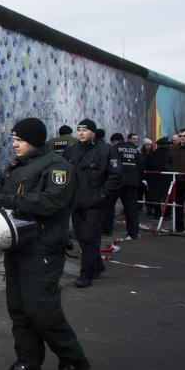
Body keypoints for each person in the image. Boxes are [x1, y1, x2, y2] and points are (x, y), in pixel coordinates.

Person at [0, 117, 90, 370]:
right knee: (19, 308)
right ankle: (28, 363)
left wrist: (5, 201)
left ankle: (73, 361)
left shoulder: (57, 167)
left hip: (42, 249)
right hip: (17, 247)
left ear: (35, 140)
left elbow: (52, 202)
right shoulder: (17, 167)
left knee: (42, 308)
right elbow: (1, 193)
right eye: (14, 140)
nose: (15, 145)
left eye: (20, 140)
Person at [63, 119, 122, 288]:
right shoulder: (71, 150)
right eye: (79, 129)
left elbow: (115, 175)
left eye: (85, 130)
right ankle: (97, 265)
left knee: (89, 238)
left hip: (95, 202)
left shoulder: (106, 150)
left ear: (93, 132)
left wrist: (102, 194)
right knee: (82, 237)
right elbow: (63, 171)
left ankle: (86, 274)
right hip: (76, 202)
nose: (81, 132)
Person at [105, 133, 143, 240]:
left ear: (114, 141)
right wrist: (138, 181)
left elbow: (111, 166)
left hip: (117, 183)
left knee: (109, 206)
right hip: (132, 184)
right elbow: (141, 166)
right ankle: (133, 233)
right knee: (131, 209)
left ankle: (107, 230)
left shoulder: (114, 149)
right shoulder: (135, 150)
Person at [146, 137, 172, 219]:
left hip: (154, 179)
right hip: (168, 179)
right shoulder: (171, 153)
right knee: (167, 197)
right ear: (166, 145)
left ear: (158, 145)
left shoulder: (152, 154)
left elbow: (148, 166)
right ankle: (167, 215)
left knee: (156, 197)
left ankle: (157, 214)